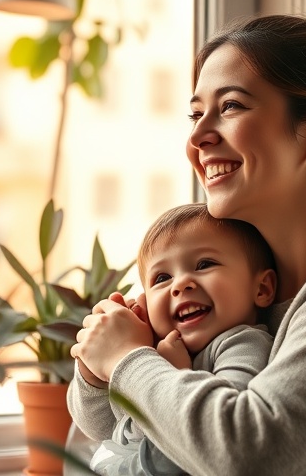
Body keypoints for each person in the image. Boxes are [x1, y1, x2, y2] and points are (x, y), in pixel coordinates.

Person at [70, 14, 306, 475]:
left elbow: (252, 454)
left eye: (231, 107)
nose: (196, 137)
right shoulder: (231, 275)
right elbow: (106, 423)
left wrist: (128, 359)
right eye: (196, 114)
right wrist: (99, 367)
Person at [70, 203, 277, 475]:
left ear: (261, 288)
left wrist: (173, 373)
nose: (181, 284)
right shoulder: (149, 349)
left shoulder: (243, 343)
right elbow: (100, 428)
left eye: (204, 264)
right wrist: (96, 372)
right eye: (162, 278)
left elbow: (219, 431)